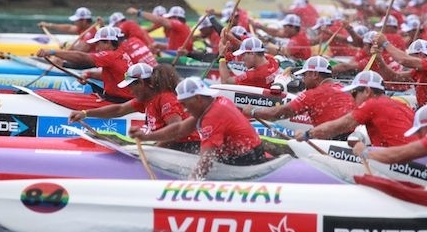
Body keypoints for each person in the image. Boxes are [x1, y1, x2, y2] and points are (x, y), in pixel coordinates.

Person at [131, 77, 266, 179]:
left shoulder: (213, 116)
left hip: (246, 160)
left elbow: (206, 161)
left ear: (197, 98)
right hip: (249, 152)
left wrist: (189, 186)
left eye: (184, 103)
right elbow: (179, 129)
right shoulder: (213, 103)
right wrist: (146, 137)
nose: (184, 108)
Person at [70, 63, 200, 151]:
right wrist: (85, 113)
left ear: (142, 83)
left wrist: (154, 150)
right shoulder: (146, 99)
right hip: (170, 146)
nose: (130, 92)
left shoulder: (165, 98)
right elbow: (119, 109)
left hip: (186, 147)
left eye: (131, 86)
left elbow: (175, 131)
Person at [243, 56, 355, 140]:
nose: (303, 79)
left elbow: (281, 112)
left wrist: (253, 112)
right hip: (350, 139)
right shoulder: (344, 88)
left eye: (304, 75)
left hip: (331, 141)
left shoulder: (313, 94)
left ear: (315, 75)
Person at [304, 71, 414, 146]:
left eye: (354, 93)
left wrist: (307, 134)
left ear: (367, 91)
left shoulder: (372, 105)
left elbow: (338, 126)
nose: (352, 99)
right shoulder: (402, 105)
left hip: (397, 163)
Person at [36, 26, 132, 102]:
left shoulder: (110, 55)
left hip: (118, 102)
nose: (97, 49)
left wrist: (53, 52)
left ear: (108, 42)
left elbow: (82, 57)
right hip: (123, 99)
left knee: (51, 96)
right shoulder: (121, 52)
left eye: (98, 44)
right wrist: (89, 74)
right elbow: (117, 76)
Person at [373, 38, 427, 110]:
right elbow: (393, 77)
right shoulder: (417, 71)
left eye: (410, 56)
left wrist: (385, 43)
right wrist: (379, 59)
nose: (409, 58)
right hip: (424, 110)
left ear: (420, 54)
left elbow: (403, 60)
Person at [127, 5, 194, 53]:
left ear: (175, 17)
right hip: (178, 54)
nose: (168, 19)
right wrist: (160, 45)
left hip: (179, 57)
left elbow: (160, 20)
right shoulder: (183, 27)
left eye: (169, 17)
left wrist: (138, 12)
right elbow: (176, 47)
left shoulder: (178, 24)